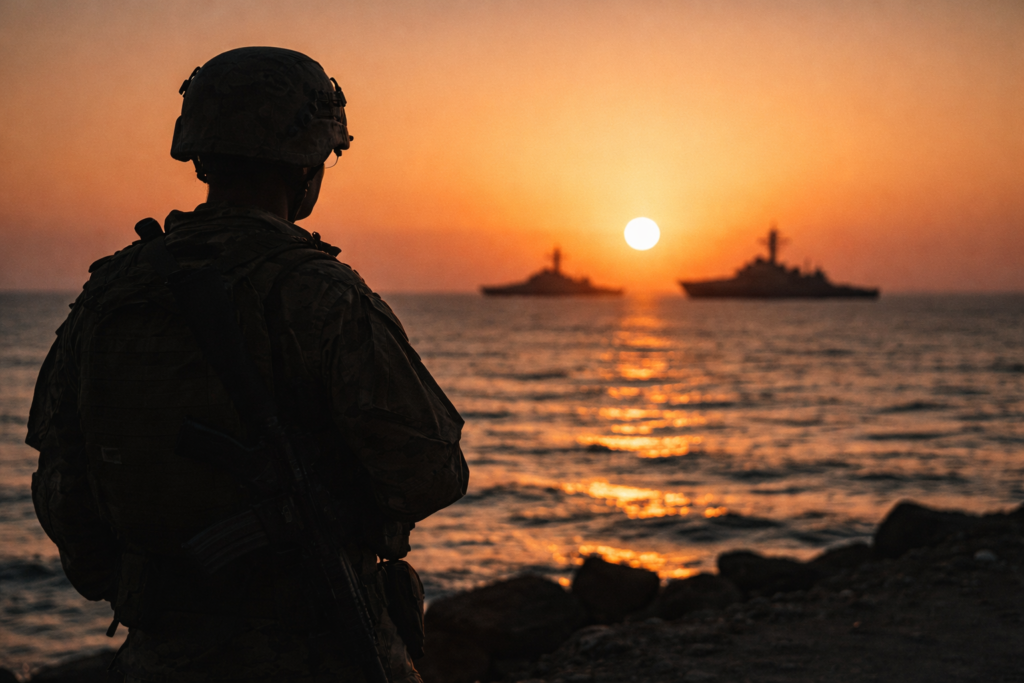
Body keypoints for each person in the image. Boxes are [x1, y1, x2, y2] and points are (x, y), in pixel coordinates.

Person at [27, 46, 469, 683]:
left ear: (202, 155)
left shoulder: (110, 292)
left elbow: (62, 484)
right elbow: (430, 473)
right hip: (318, 650)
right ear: (309, 161)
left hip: (160, 654)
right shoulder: (320, 293)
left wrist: (142, 582)